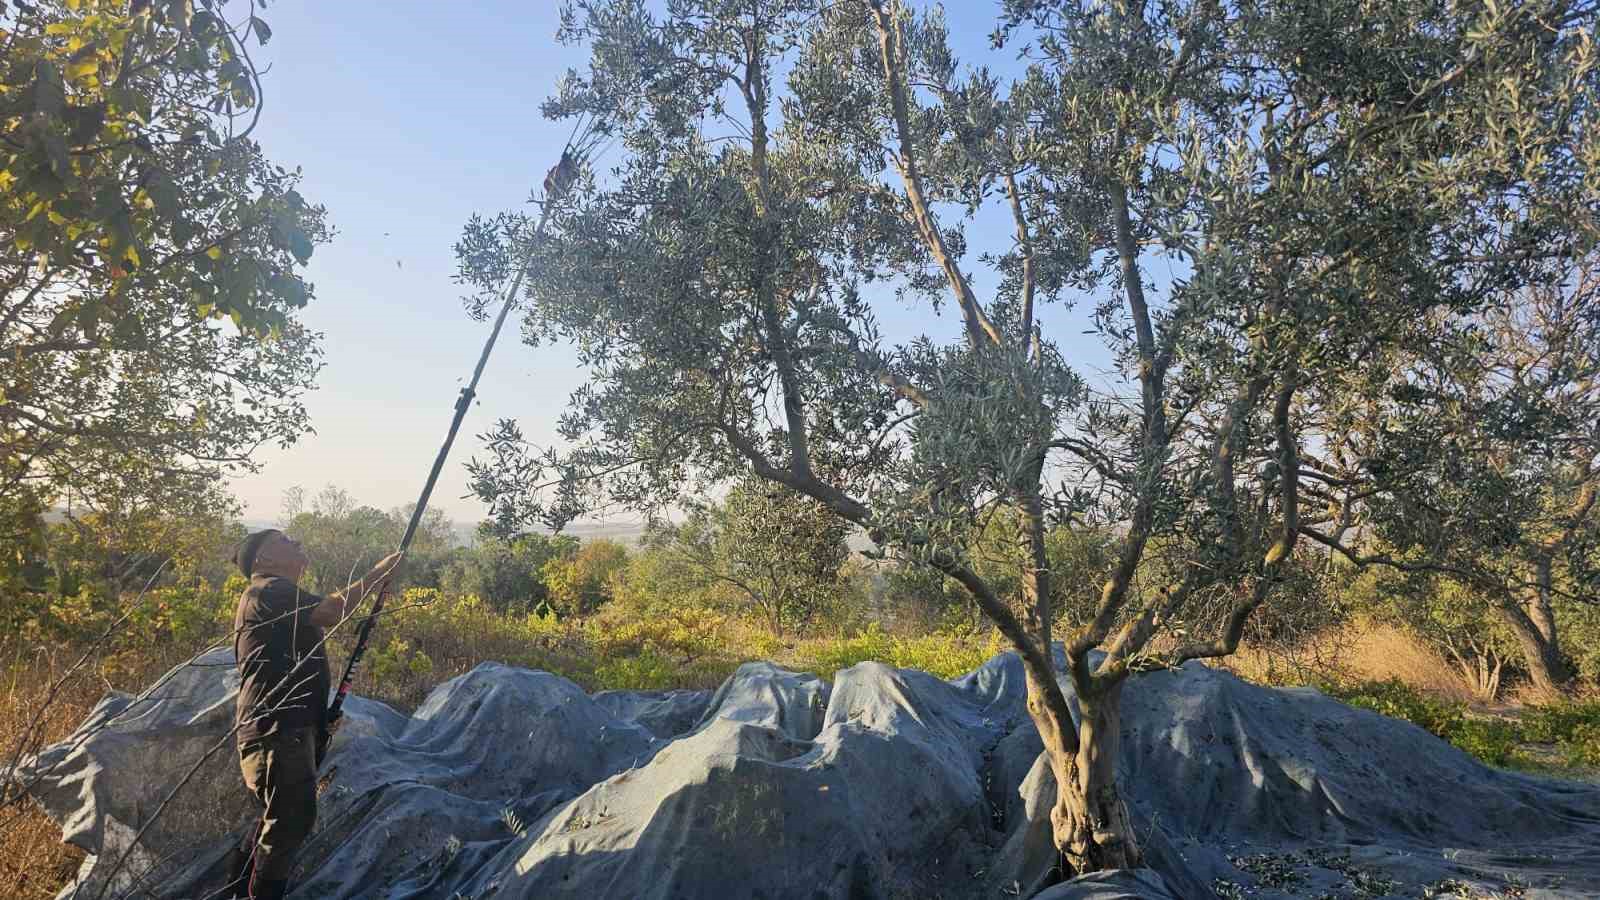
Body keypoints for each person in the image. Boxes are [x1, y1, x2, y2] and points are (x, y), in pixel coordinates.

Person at [224, 529, 401, 900]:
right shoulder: (268, 588)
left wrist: (319, 720)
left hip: (284, 726)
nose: (298, 544)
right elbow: (332, 611)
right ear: (263, 560)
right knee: (290, 821)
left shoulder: (274, 595)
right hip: (276, 727)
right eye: (285, 541)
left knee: (278, 821)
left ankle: (237, 892)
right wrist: (375, 577)